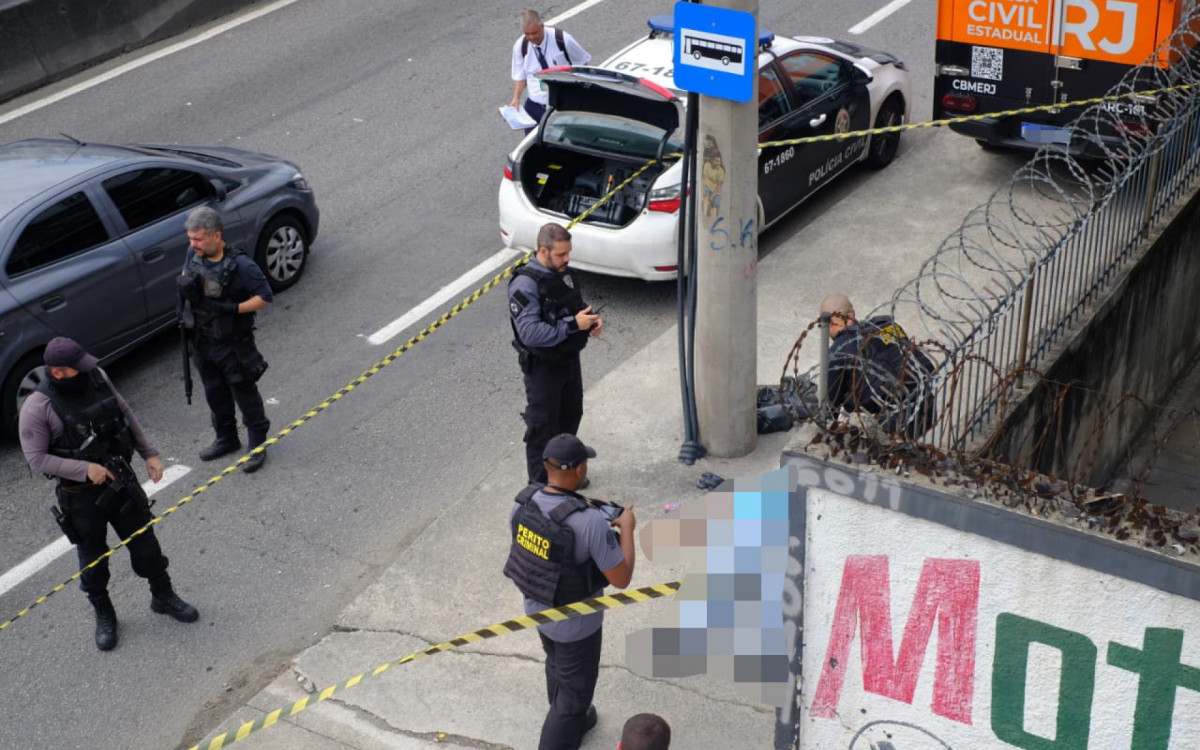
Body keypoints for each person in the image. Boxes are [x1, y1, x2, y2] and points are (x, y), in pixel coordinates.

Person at [18, 337, 199, 651]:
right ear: (58, 373)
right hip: (81, 498)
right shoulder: (37, 408)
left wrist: (150, 453)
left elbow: (124, 412)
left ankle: (162, 595)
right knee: (93, 561)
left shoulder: (96, 378)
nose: (89, 371)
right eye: (79, 368)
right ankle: (104, 612)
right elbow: (36, 459)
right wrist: (84, 470)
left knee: (146, 544)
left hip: (121, 482)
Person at [503, 434, 636, 750]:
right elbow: (621, 578)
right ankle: (565, 724)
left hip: (539, 609)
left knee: (556, 664)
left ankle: (572, 718)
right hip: (578, 626)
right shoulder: (590, 522)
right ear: (580, 469)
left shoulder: (522, 503)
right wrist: (627, 528)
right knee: (574, 697)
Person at [178, 206, 273, 473]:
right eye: (190, 238)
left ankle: (257, 443)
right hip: (202, 341)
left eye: (198, 239)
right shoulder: (192, 254)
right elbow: (188, 275)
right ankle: (227, 438)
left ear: (216, 236)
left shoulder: (241, 265)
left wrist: (233, 309)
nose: (192, 244)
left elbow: (265, 296)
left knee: (244, 394)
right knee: (215, 394)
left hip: (232, 345)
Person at [509, 223, 603, 485]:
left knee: (571, 415)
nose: (567, 259)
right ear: (543, 251)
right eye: (561, 254)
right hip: (543, 368)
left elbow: (572, 304)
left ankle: (563, 477)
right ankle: (538, 490)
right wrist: (574, 325)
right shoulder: (524, 285)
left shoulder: (561, 272)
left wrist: (591, 319)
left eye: (568, 253)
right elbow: (530, 333)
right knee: (543, 429)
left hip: (568, 361)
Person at [819, 293, 937, 438]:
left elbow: (828, 410)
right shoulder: (886, 326)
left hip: (889, 426)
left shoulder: (838, 352)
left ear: (830, 322)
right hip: (926, 407)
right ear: (852, 314)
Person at [509, 9, 591, 133]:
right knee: (534, 148)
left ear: (542, 26)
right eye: (527, 34)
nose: (531, 37)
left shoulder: (562, 39)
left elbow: (582, 63)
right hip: (535, 106)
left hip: (562, 105)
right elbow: (520, 76)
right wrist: (516, 98)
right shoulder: (520, 46)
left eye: (535, 33)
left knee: (569, 142)